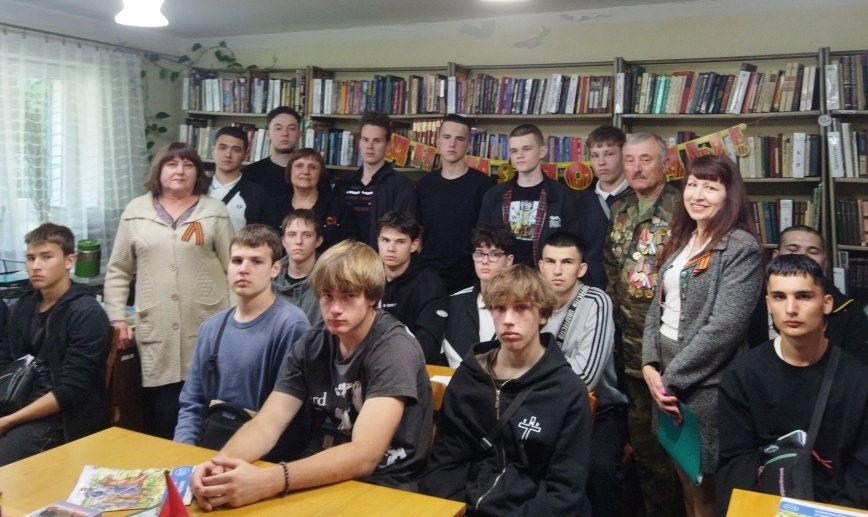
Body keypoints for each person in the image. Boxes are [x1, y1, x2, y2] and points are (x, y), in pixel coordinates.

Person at [190, 240, 432, 510]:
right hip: (320, 471)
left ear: (372, 297)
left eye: (348, 296)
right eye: (327, 296)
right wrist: (218, 467)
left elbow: (365, 455)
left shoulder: (394, 348)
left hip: (386, 485)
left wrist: (268, 481)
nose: (335, 308)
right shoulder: (312, 343)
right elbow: (267, 423)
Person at [641, 154, 763, 516]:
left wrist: (669, 381)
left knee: (707, 493)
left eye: (710, 187)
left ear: (730, 195)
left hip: (706, 387)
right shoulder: (684, 239)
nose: (697, 194)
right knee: (686, 486)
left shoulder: (740, 247)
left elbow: (725, 327)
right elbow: (657, 309)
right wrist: (649, 365)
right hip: (665, 379)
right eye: (692, 184)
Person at [421, 265, 592, 515]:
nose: (508, 320)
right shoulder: (469, 377)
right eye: (500, 309)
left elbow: (564, 493)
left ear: (543, 315)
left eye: (521, 308)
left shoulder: (566, 391)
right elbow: (445, 463)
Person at [717, 254, 868, 514]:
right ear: (768, 303)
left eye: (803, 296)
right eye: (779, 297)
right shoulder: (743, 375)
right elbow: (736, 463)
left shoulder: (857, 380)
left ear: (827, 303)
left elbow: (862, 471)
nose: (790, 309)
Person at [104, 142, 235, 439]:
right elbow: (119, 269)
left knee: (207, 413)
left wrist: (237, 321)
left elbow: (234, 268)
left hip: (207, 326)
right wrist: (117, 317)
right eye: (172, 164)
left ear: (197, 173)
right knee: (161, 415)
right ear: (159, 170)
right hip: (157, 330)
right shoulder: (135, 211)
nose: (180, 171)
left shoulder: (214, 211)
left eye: (188, 165)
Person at [174, 224, 310, 459]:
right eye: (237, 261)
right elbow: (192, 404)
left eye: (256, 261)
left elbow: (287, 416)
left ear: (275, 269)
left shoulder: (291, 325)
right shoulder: (211, 328)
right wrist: (184, 455)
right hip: (210, 448)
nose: (244, 269)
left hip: (266, 457)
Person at [603, 131, 683, 516]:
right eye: (630, 160)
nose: (636, 168)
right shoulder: (619, 207)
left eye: (645, 159)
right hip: (629, 349)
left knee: (681, 453)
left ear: (665, 163)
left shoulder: (683, 206)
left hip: (672, 351)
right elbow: (610, 265)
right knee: (646, 451)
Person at [0, 223, 110, 466]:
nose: (35, 266)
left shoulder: (86, 313)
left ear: (70, 260)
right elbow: (5, 362)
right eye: (31, 258)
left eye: (46, 257)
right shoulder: (22, 307)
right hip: (17, 404)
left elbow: (71, 391)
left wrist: (8, 421)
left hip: (64, 418)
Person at [538, 230, 630, 517]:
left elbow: (587, 377)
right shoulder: (529, 299)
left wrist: (535, 379)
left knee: (598, 468)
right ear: (540, 266)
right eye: (550, 261)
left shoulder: (596, 301)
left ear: (581, 269)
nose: (557, 270)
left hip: (598, 411)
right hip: (540, 409)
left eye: (567, 262)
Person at [478, 123, 580, 267]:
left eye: (526, 149)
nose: (519, 155)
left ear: (542, 151)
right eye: (514, 151)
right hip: (504, 275)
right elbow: (483, 242)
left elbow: (572, 246)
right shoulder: (494, 196)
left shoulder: (562, 196)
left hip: (546, 276)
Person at [764, 225, 868, 365]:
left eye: (813, 251)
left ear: (825, 262)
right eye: (792, 249)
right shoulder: (755, 301)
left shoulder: (848, 311)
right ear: (776, 255)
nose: (802, 255)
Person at [417, 114, 495, 293]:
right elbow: (417, 230)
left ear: (468, 145)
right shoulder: (425, 185)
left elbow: (488, 236)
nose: (452, 144)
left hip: (469, 275)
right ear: (438, 141)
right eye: (447, 137)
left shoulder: (484, 185)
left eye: (459, 139)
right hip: (429, 273)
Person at [335, 112, 417, 247]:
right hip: (347, 257)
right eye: (365, 140)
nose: (370, 146)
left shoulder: (400, 185)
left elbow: (406, 231)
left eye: (377, 141)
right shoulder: (344, 184)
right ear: (359, 142)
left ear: (388, 145)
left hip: (381, 257)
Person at [377, 211, 448, 364]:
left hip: (413, 366)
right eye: (385, 240)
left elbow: (428, 347)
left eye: (400, 242)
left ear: (414, 245)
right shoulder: (365, 276)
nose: (391, 248)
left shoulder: (430, 284)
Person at [443, 224, 515, 368]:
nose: (485, 261)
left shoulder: (521, 306)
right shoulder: (453, 303)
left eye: (494, 254)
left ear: (509, 260)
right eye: (480, 253)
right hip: (458, 378)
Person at [575, 125, 633, 290]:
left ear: (624, 155)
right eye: (595, 156)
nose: (601, 162)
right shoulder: (581, 203)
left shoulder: (638, 197)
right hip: (591, 292)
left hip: (631, 294)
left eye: (609, 154)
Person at [275, 148, 356, 253]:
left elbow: (350, 247)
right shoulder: (275, 206)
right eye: (299, 166)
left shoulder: (339, 207)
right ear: (290, 171)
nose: (305, 172)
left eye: (312, 167)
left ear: (320, 174)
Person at [207, 126, 277, 232]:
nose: (228, 155)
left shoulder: (258, 196)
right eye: (223, 148)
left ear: (246, 154)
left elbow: (267, 237)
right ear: (213, 149)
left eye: (236, 150)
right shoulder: (197, 189)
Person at [273, 209, 323, 325]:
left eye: (307, 235)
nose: (298, 241)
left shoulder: (330, 280)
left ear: (318, 241)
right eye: (292, 235)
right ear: (283, 241)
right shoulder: (268, 280)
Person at [242, 106, 302, 201]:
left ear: (299, 134)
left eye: (291, 128)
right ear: (268, 134)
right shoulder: (250, 173)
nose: (285, 133)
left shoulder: (309, 173)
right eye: (278, 128)